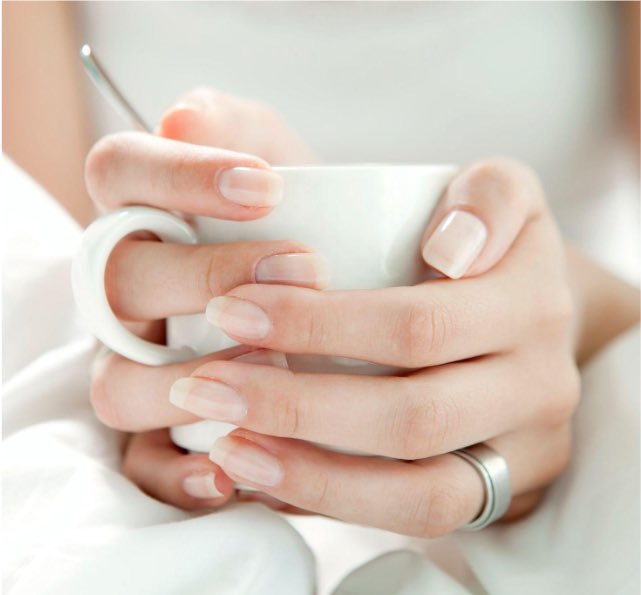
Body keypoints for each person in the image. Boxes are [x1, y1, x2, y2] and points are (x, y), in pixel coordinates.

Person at [3, 1, 639, 589]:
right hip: (198, 466)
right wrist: (106, 312)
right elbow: (36, 261)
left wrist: (569, 314)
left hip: (565, 392)